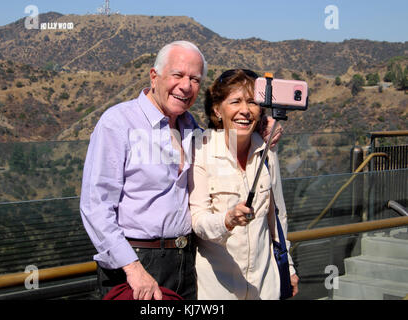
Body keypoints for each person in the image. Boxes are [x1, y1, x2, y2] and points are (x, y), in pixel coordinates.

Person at [80, 41, 283, 300]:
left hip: (185, 262)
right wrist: (132, 268)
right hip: (136, 262)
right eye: (177, 75)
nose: (186, 86)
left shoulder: (191, 129)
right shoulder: (118, 123)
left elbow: (231, 136)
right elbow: (95, 206)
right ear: (154, 77)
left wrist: (264, 125)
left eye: (194, 79)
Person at [188, 69, 299, 300]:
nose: (245, 110)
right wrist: (227, 220)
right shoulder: (201, 150)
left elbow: (278, 217)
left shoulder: (267, 153)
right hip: (218, 290)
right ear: (217, 109)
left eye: (252, 102)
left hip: (265, 287)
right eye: (235, 101)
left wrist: (288, 268)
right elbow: (198, 220)